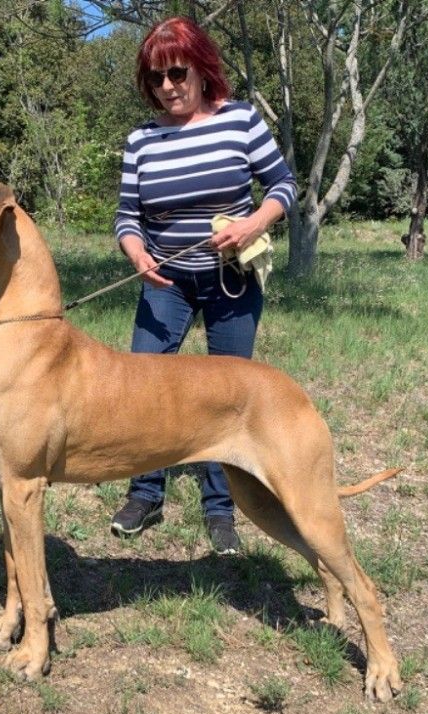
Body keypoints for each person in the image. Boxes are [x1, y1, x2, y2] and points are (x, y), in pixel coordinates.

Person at [110, 16, 297, 555]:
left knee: (226, 398)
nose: (168, 86)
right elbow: (127, 217)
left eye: (177, 73)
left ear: (200, 68)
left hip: (231, 280)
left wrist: (253, 224)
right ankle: (145, 492)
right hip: (165, 282)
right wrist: (137, 253)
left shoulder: (240, 120)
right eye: (156, 78)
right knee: (144, 386)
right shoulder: (141, 140)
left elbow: (283, 185)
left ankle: (221, 510)